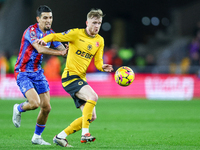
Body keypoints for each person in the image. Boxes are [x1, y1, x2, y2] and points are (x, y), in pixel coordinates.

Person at [37, 8, 113, 147]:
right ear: (87, 22)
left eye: (99, 23)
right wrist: (43, 39)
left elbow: (97, 61)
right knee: (93, 96)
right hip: (70, 77)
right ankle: (85, 134)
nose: (97, 26)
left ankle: (60, 136)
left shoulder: (99, 41)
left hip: (81, 79)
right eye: (94, 22)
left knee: (91, 116)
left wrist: (102, 67)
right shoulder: (75, 33)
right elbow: (55, 36)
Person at [12, 5, 68, 145]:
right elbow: (39, 48)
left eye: (50, 18)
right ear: (38, 19)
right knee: (35, 103)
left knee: (46, 107)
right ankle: (18, 108)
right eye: (45, 18)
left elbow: (63, 49)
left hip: (38, 72)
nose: (48, 20)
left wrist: (71, 51)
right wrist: (60, 53)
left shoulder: (51, 34)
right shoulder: (31, 31)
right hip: (23, 72)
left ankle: (37, 137)